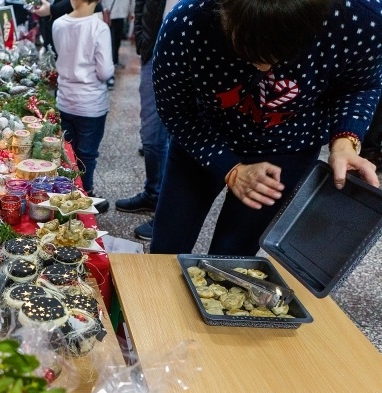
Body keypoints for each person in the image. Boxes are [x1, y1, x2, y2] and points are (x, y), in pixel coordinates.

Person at [151, 0, 382, 256]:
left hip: (287, 146)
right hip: (203, 136)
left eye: (280, 56)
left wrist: (345, 142)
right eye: (249, 54)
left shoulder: (361, 17)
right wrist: (229, 168)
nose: (264, 69)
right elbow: (176, 110)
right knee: (169, 243)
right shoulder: (186, 22)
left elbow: (360, 84)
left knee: (234, 256)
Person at [114, 0, 172, 240]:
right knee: (151, 135)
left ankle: (167, 212)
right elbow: (142, 5)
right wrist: (142, 38)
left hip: (194, 52)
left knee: (180, 139)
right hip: (155, 51)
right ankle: (153, 193)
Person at [53, 0, 115, 201]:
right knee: (87, 155)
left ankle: (65, 194)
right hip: (91, 105)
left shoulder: (59, 23)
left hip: (64, 100)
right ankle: (84, 196)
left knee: (67, 153)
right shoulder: (99, 27)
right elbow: (105, 72)